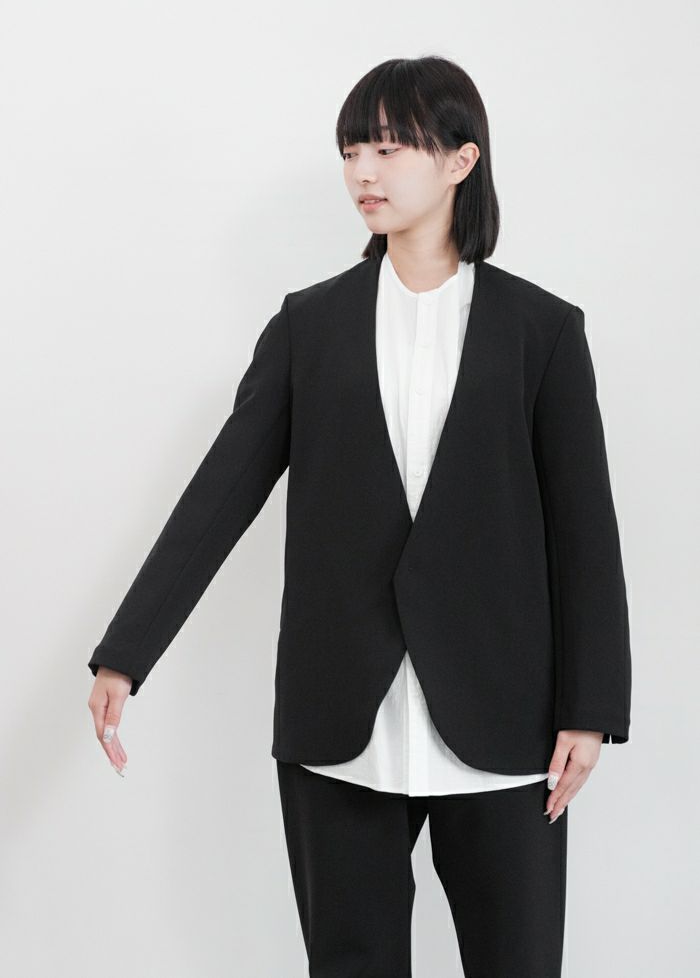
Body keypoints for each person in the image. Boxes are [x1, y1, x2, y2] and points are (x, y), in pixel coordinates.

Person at [87, 55, 631, 977]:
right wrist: (125, 652)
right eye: (350, 151)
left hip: (506, 720)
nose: (363, 173)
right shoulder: (310, 324)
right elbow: (220, 494)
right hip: (341, 721)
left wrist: (592, 708)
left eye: (388, 148)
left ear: (460, 160)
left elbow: (585, 533)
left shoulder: (541, 330)